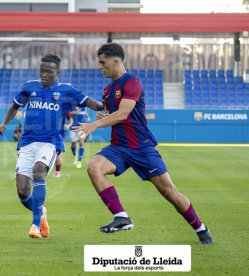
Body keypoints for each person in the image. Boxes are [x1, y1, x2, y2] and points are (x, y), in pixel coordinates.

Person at [72, 43, 212, 244]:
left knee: (169, 192)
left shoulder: (132, 83)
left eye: (103, 63)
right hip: (119, 147)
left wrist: (94, 125)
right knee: (94, 168)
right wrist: (103, 115)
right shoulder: (108, 88)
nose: (100, 67)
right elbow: (114, 113)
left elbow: (123, 113)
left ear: (116, 61)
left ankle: (201, 229)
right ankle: (121, 217)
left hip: (141, 146)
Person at [0, 54, 103, 239]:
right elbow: (15, 106)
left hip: (50, 142)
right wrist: (5, 123)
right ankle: (41, 213)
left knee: (39, 171)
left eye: (49, 71)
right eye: (41, 71)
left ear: (57, 72)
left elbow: (91, 103)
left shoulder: (67, 91)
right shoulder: (30, 87)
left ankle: (35, 225)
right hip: (27, 142)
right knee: (22, 190)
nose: (44, 74)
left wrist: (108, 105)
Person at [53, 111, 73, 178]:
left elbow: (70, 119)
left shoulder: (63, 106)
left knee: (58, 154)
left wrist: (68, 125)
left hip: (60, 134)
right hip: (48, 133)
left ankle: (57, 172)